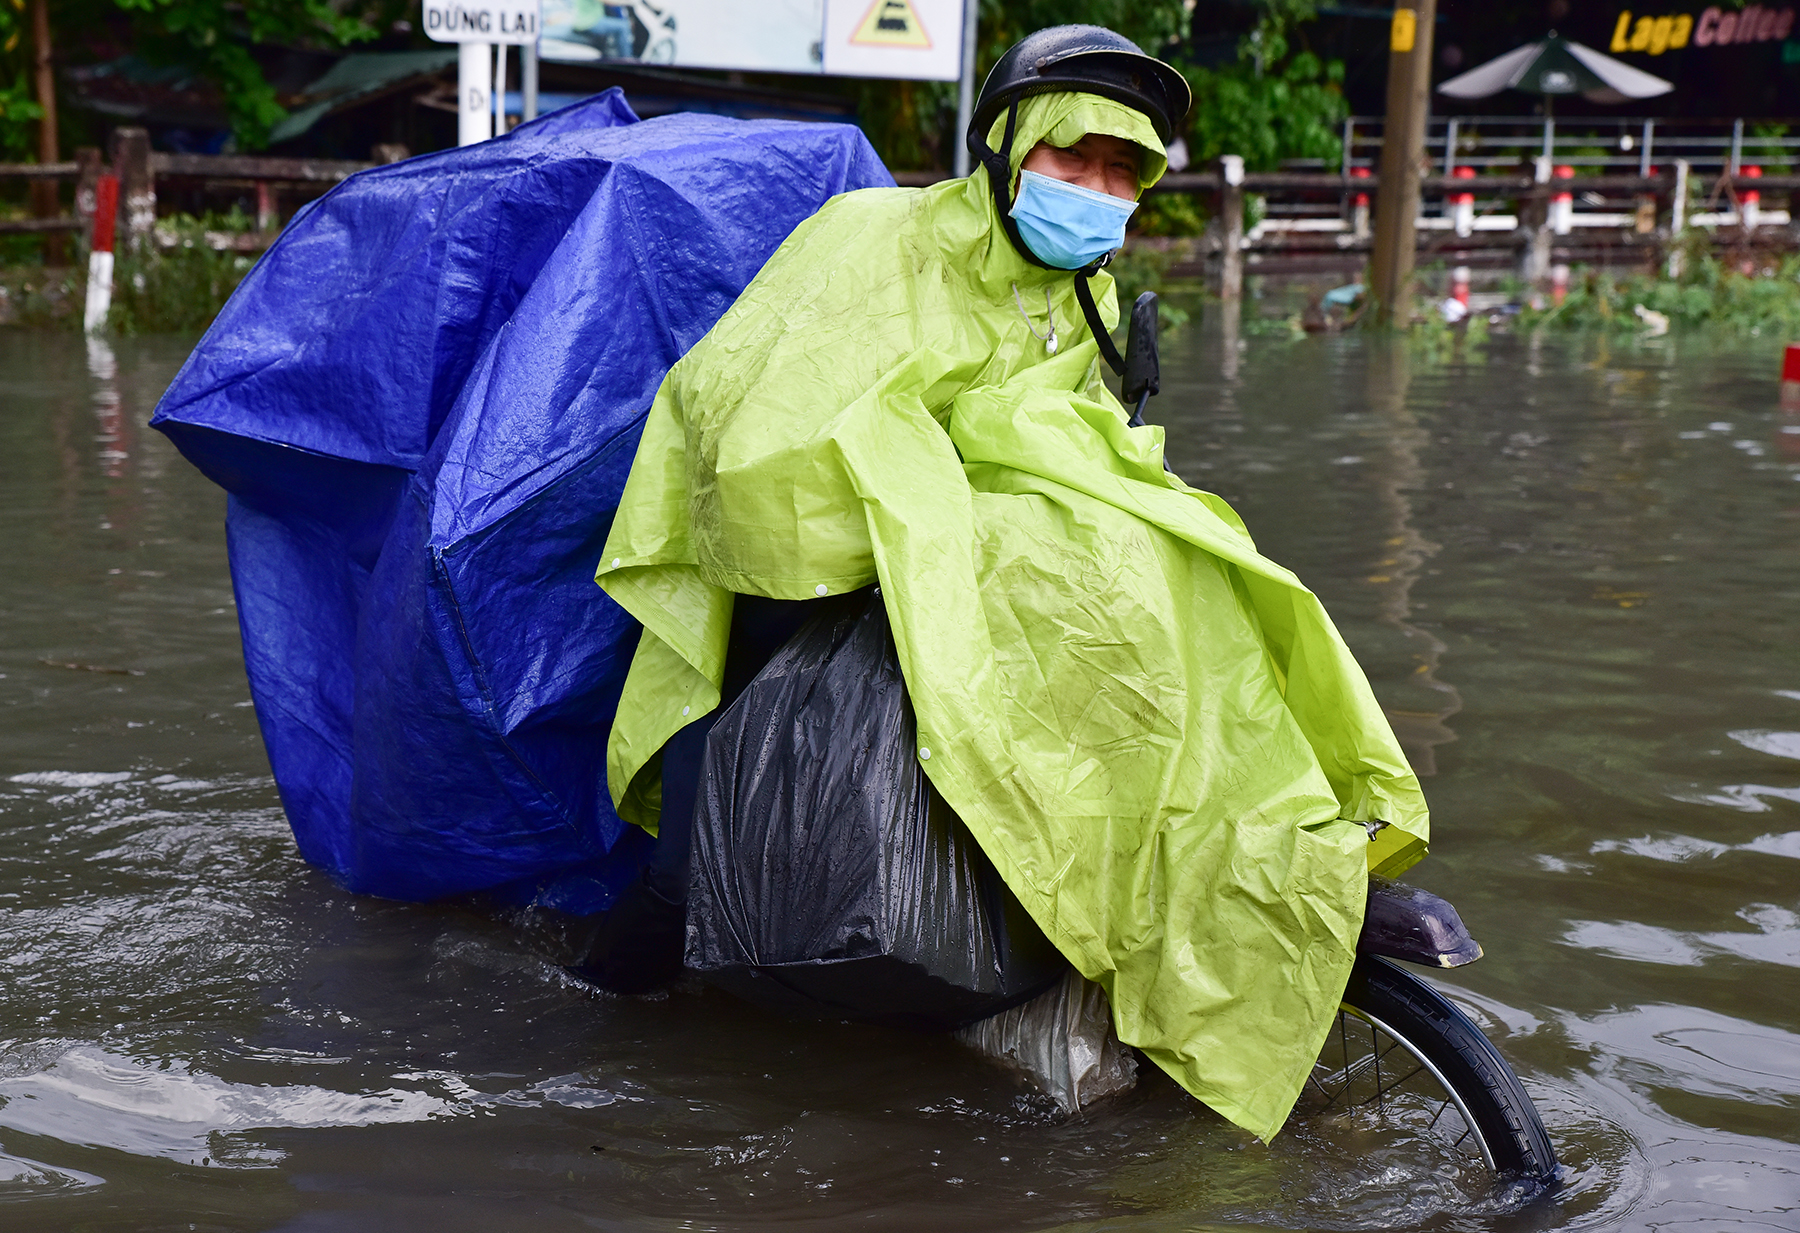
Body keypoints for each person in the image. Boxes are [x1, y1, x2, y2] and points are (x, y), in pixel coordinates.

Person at [588, 25, 1431, 1143]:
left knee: (1202, 583)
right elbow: (752, 456)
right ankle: (587, 1026)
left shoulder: (1087, 297)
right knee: (687, 881)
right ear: (1007, 148)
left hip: (998, 609)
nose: (1097, 190)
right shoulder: (873, 241)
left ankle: (1289, 860)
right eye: (1073, 157)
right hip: (813, 605)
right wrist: (944, 523)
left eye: (1122, 171)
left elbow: (1084, 459)